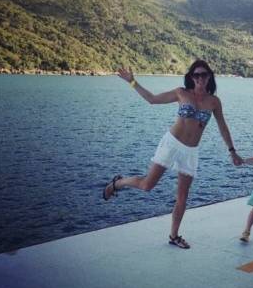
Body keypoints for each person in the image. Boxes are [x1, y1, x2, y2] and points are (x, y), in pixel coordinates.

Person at [102, 60, 243, 249]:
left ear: (209, 76)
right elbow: (152, 99)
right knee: (147, 185)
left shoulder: (214, 102)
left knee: (183, 197)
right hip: (171, 144)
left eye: (204, 74)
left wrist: (232, 151)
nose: (200, 78)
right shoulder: (181, 93)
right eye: (196, 75)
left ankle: (174, 236)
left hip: (190, 151)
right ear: (191, 77)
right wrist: (132, 81)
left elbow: (223, 127)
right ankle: (118, 183)